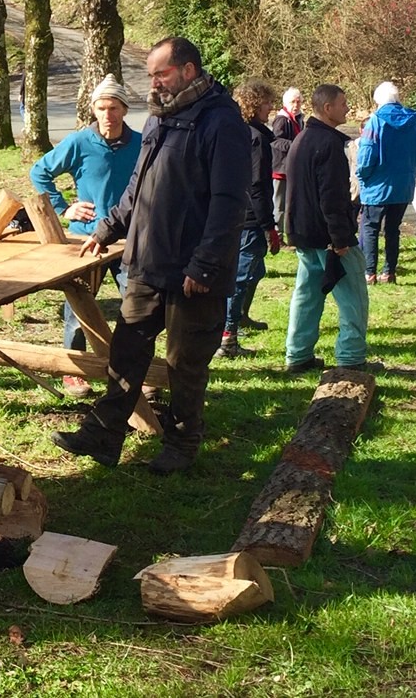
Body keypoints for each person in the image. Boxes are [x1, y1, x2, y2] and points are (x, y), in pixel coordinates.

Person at [51, 37, 249, 474]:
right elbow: (138, 188)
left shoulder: (221, 122)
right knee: (126, 350)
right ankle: (103, 436)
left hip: (192, 274)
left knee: (184, 364)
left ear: (189, 71)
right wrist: (107, 229)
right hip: (147, 262)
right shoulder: (161, 118)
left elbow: (230, 202)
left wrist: (205, 264)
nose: (153, 83)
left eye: (161, 74)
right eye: (151, 75)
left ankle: (181, 446)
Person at [29, 74, 141, 395]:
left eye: (114, 107)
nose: (108, 114)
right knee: (78, 309)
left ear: (124, 109)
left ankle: (135, 370)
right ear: (94, 110)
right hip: (86, 240)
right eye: (102, 108)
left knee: (136, 305)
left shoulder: (139, 144)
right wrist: (64, 208)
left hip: (127, 240)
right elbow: (40, 171)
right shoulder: (80, 142)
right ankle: (72, 370)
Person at [283, 83, 373, 374]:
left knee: (307, 296)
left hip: (304, 233)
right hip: (327, 236)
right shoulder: (329, 145)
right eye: (343, 103)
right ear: (327, 108)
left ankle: (297, 355)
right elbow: (331, 196)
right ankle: (351, 358)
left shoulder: (303, 139)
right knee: (353, 297)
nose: (347, 108)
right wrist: (341, 238)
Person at [217, 79, 281, 358]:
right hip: (250, 217)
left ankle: (240, 316)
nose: (271, 107)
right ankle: (227, 338)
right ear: (254, 104)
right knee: (242, 275)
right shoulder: (254, 137)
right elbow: (256, 184)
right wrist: (268, 224)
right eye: (267, 102)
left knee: (256, 271)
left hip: (240, 213)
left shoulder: (244, 132)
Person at [356, 80, 416, 284]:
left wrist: (362, 176)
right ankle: (390, 272)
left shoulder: (375, 122)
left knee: (370, 228)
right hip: (403, 186)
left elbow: (367, 155)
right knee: (393, 229)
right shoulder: (414, 123)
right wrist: (411, 175)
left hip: (376, 186)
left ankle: (369, 273)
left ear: (378, 101)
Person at [271, 87, 303, 241]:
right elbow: (276, 140)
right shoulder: (282, 119)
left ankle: (290, 233)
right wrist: (295, 145)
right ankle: (277, 236)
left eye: (298, 102)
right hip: (281, 168)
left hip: (292, 168)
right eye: (293, 102)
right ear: (285, 103)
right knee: (279, 204)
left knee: (291, 203)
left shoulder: (299, 118)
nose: (296, 105)